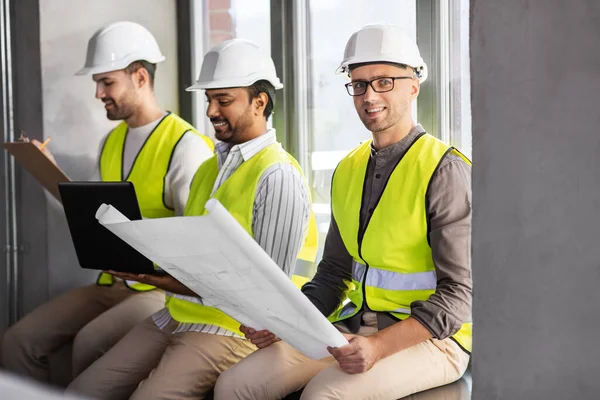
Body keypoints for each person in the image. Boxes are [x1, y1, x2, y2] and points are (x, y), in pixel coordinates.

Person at [214, 22, 473, 400]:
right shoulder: (349, 169)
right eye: (359, 84)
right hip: (355, 327)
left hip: (434, 339)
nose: (369, 95)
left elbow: (459, 295)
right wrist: (283, 323)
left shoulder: (444, 169)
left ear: (413, 85)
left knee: (324, 395)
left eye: (384, 81)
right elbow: (334, 274)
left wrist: (380, 346)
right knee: (235, 385)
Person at [66, 38, 316, 400]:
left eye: (224, 101)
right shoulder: (209, 169)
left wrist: (159, 279)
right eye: (209, 100)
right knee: (81, 391)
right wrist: (154, 266)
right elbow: (195, 254)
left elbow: (266, 296)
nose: (212, 111)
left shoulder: (276, 174)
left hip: (234, 328)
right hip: (177, 313)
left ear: (260, 103)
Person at [1, 21, 214, 383]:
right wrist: (48, 172)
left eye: (107, 82)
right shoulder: (111, 142)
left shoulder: (186, 147)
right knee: (17, 342)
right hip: (110, 281)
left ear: (141, 78)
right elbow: (94, 219)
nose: (98, 93)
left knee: (89, 342)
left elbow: (197, 238)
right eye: (97, 83)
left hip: (158, 289)